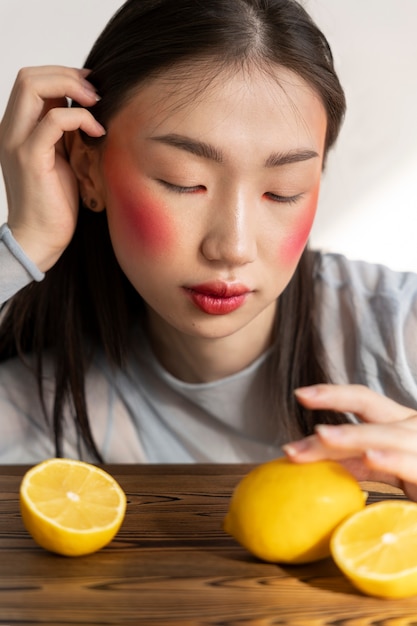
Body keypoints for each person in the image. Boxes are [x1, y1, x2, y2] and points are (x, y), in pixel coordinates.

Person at [0, 0, 416, 497]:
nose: (233, 247)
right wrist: (26, 241)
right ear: (89, 171)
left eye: (283, 190)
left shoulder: (399, 333)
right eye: (184, 182)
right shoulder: (39, 400)